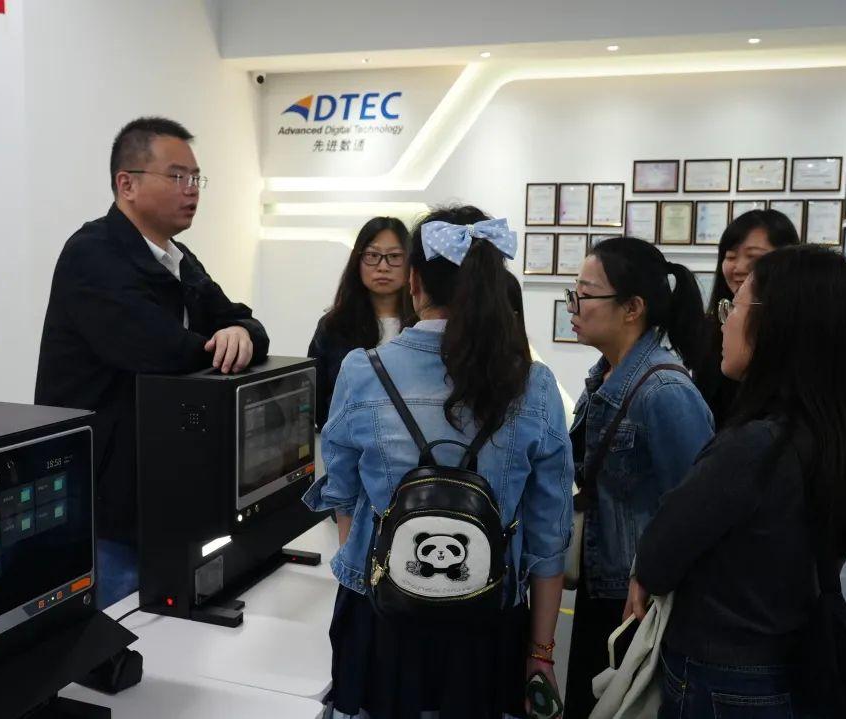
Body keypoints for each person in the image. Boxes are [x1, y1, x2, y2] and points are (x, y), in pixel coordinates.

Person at [303, 206, 572, 719]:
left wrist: (373, 568)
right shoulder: (534, 385)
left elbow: (341, 496)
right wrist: (540, 654)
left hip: (380, 616)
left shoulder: (363, 369)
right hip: (488, 618)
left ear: (415, 283)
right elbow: (548, 537)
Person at [631, 245, 846, 717]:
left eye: (733, 307)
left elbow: (660, 555)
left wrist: (644, 573)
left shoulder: (756, 446)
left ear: (775, 325)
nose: (722, 324)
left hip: (723, 675)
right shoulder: (842, 437)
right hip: (789, 661)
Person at [35, 117, 269, 609]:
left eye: (196, 178)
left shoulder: (179, 259)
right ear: (127, 184)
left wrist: (241, 333)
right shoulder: (91, 254)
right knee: (121, 629)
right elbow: (159, 349)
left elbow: (244, 322)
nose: (192, 189)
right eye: (177, 176)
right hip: (104, 501)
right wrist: (224, 341)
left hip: (163, 489)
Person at [562, 236, 713, 719]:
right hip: (601, 584)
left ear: (632, 308)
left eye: (586, 293)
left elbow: (695, 513)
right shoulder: (604, 376)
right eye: (573, 292)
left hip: (636, 601)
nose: (573, 305)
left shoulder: (665, 391)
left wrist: (652, 577)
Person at [692, 210, 799, 427]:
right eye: (730, 257)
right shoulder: (711, 330)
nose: (739, 268)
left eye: (754, 257)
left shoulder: (798, 334)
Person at [308, 217, 416, 430]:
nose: (383, 267)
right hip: (351, 443)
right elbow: (317, 402)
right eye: (372, 256)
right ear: (357, 261)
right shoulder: (334, 326)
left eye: (395, 256)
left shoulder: (424, 326)